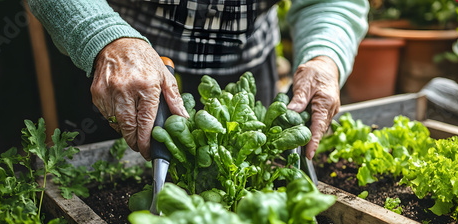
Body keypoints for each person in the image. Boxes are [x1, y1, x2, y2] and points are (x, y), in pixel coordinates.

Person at [27, 0, 369, 161]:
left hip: (248, 68)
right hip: (118, 67)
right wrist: (102, 35)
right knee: (104, 178)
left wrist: (325, 53)